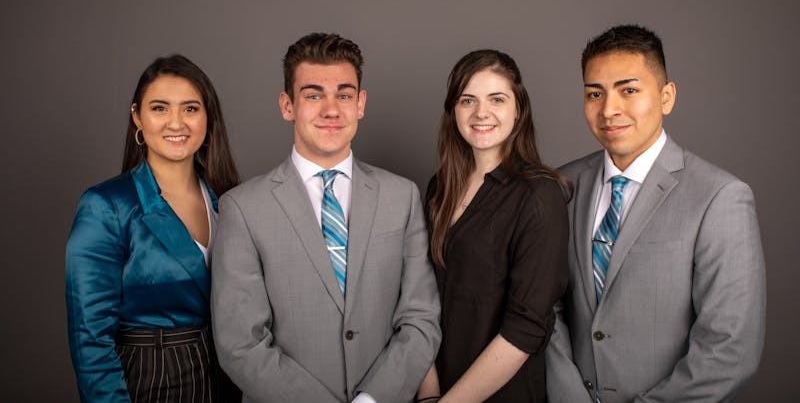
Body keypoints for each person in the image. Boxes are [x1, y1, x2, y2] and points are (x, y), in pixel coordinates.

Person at [210, 32, 441, 402]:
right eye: (314, 94)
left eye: (344, 95)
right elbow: (240, 343)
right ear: (287, 105)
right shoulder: (242, 208)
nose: (331, 110)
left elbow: (421, 319)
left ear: (361, 103)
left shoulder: (403, 197)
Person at [545, 25, 766, 402]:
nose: (609, 109)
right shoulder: (562, 186)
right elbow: (544, 308)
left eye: (628, 90)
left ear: (666, 97)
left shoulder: (720, 197)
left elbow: (730, 347)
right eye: (594, 93)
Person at [66, 54, 241, 403]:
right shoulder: (106, 205)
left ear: (209, 118)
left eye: (191, 108)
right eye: (160, 108)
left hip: (227, 380)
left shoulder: (230, 199)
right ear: (137, 117)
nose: (176, 123)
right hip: (149, 378)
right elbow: (90, 338)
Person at [416, 49, 569, 402]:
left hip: (503, 393)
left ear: (518, 109)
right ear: (453, 111)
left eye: (496, 99)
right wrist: (427, 394)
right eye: (467, 100)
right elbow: (417, 299)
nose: (481, 113)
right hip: (431, 387)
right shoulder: (439, 188)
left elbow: (526, 327)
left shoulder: (540, 196)